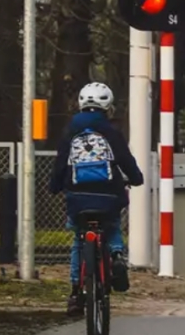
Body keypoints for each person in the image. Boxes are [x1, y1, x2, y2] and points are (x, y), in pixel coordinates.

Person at [48, 82, 144, 316]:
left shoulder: (70, 130)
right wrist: (136, 178)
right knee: (111, 226)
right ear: (107, 105)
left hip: (78, 196)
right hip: (108, 195)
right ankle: (117, 255)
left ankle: (74, 292)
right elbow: (125, 159)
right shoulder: (111, 131)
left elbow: (61, 163)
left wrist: (55, 186)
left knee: (78, 241)